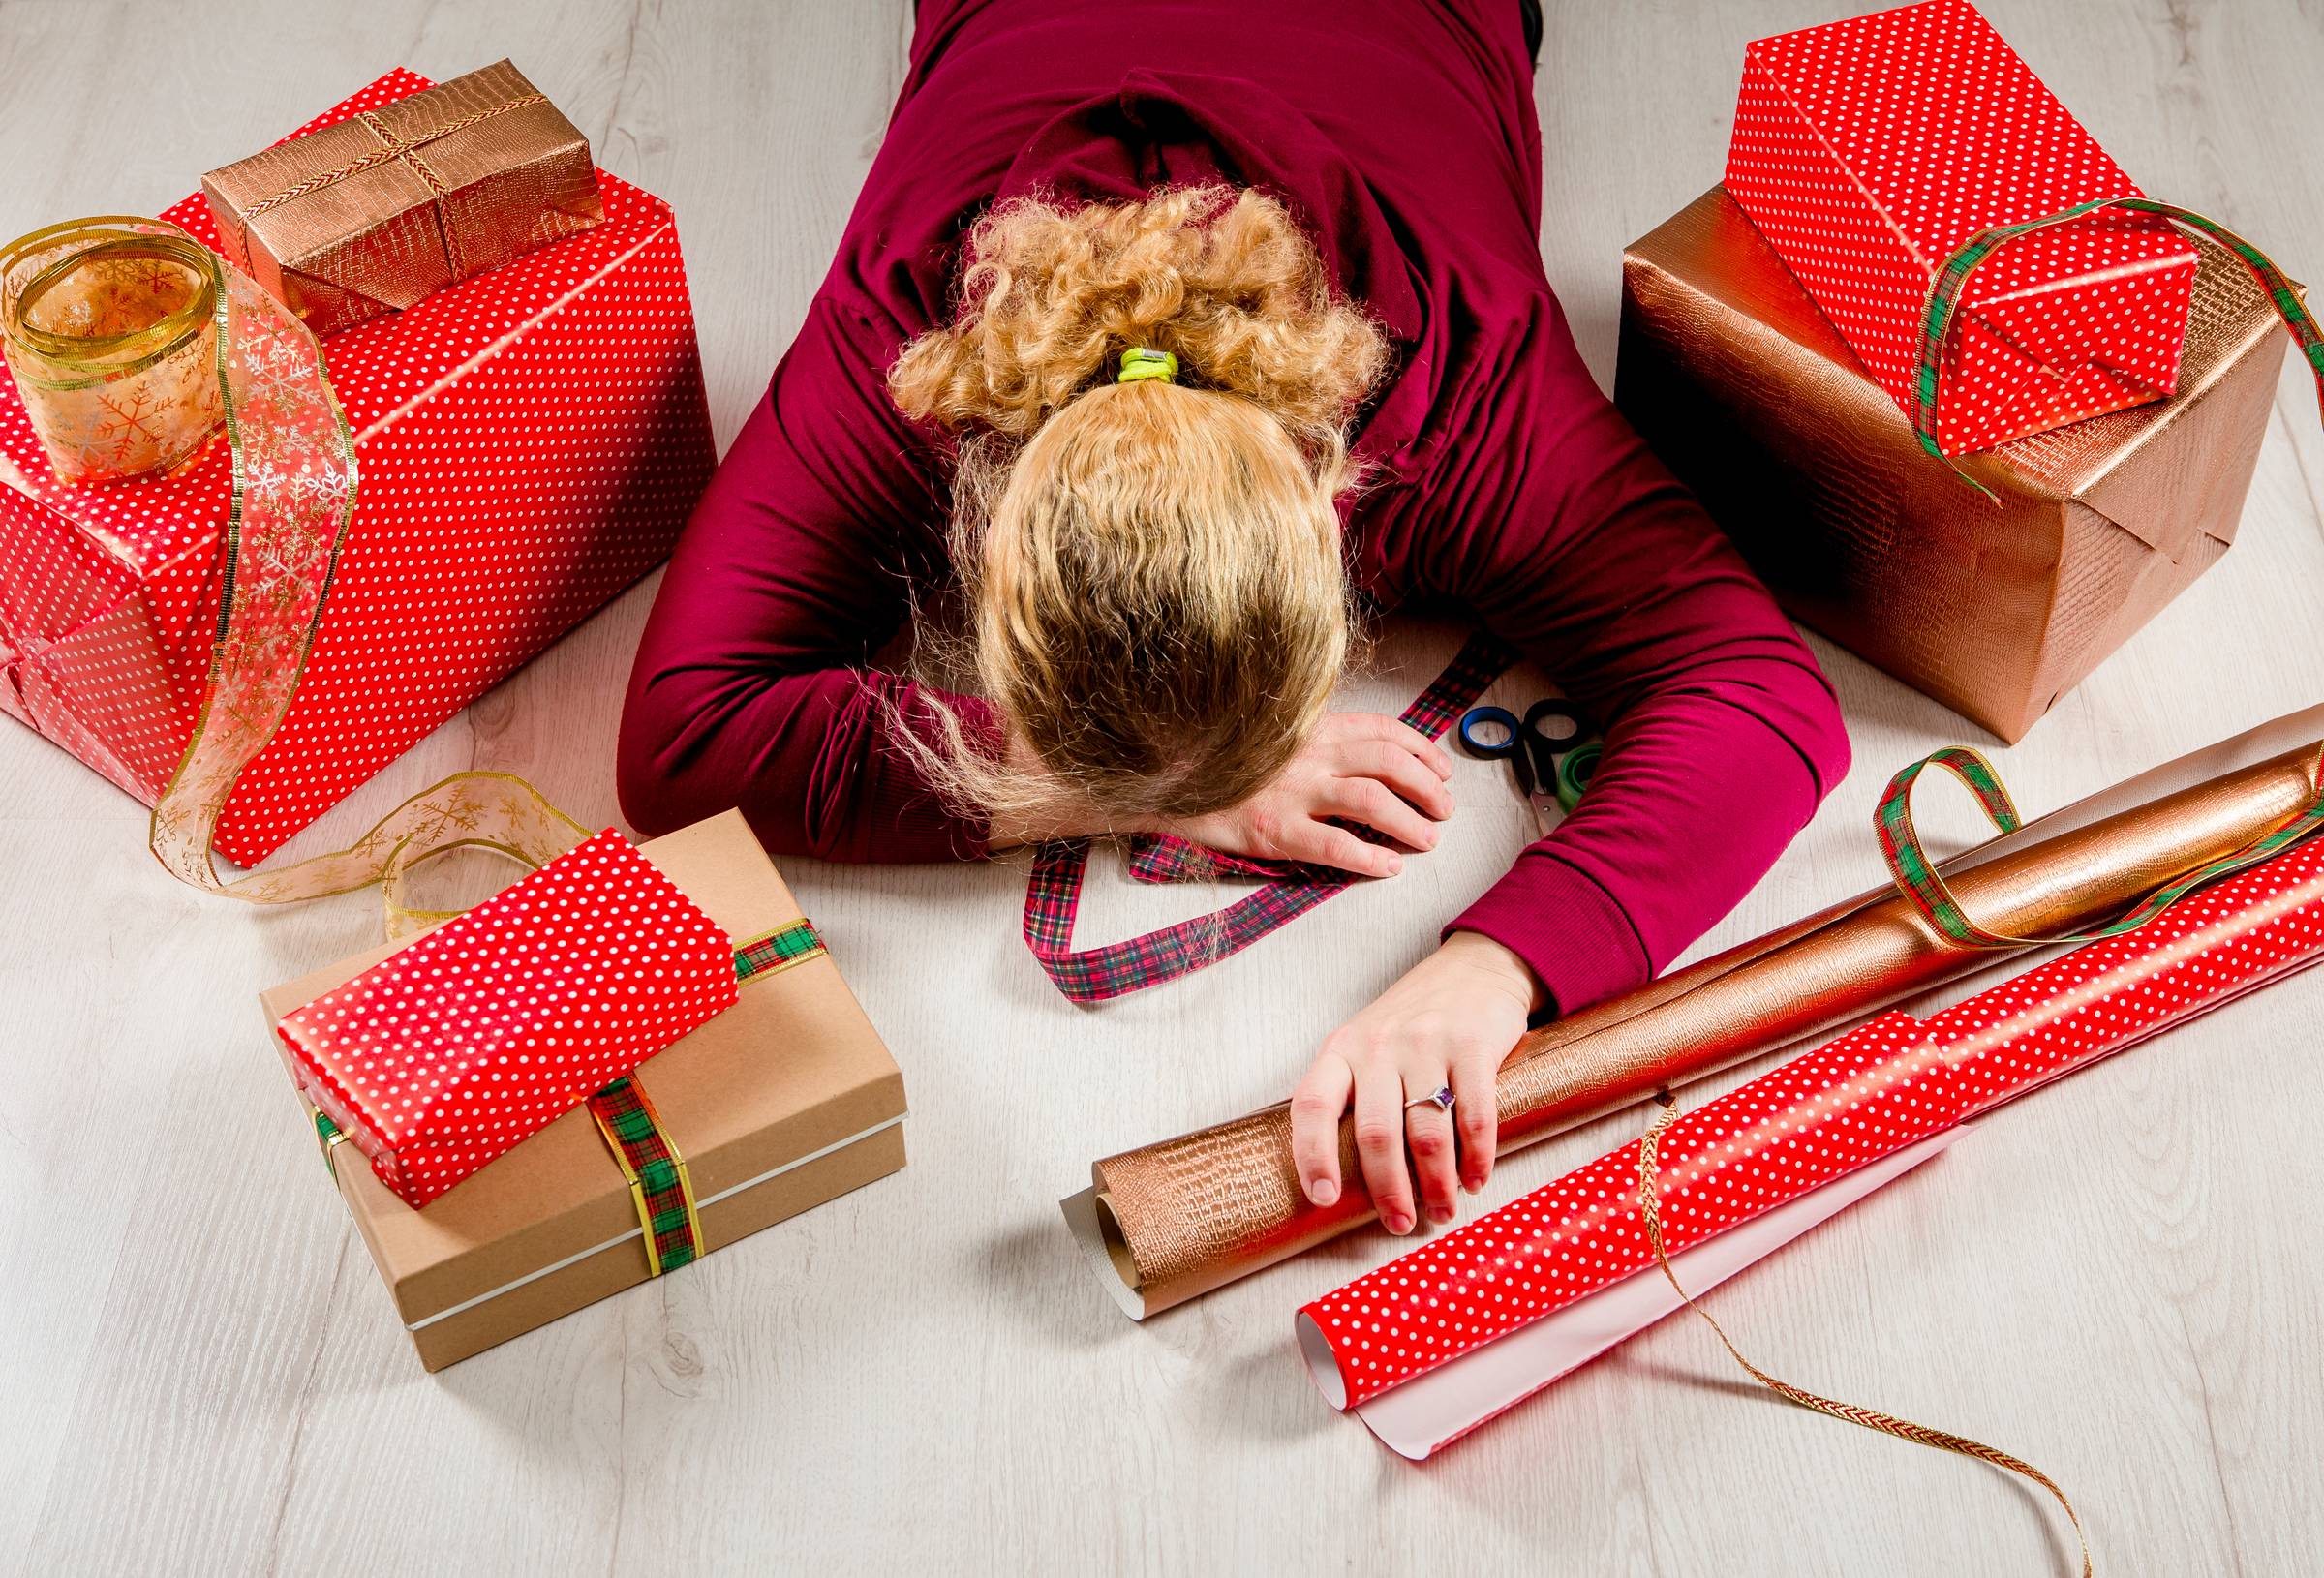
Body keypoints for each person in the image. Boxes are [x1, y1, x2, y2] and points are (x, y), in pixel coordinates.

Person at [618, 0, 1849, 1242]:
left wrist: (1495, 971)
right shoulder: (916, 347)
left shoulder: (1469, 397)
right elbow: (681, 733)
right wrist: (1150, 781)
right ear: (987, 532)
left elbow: (1757, 698)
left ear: (1333, 524)